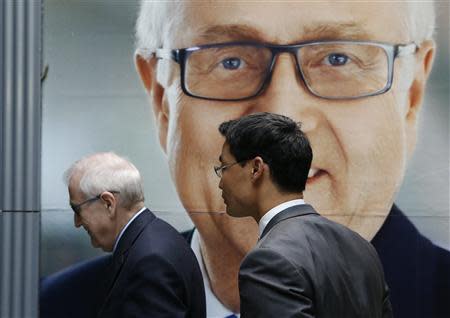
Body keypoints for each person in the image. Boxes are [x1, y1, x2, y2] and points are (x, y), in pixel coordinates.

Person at [41, 1, 450, 318]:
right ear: (161, 101)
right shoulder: (48, 308)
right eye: (230, 60)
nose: (282, 112)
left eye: (337, 59)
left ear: (412, 94)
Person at [216, 112, 393, 317]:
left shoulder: (269, 259)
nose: (220, 182)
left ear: (256, 168)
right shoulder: (361, 247)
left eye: (224, 167)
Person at [40, 152, 205, 318]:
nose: (77, 222)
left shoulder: (150, 260)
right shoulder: (152, 242)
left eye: (77, 210)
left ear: (108, 203)